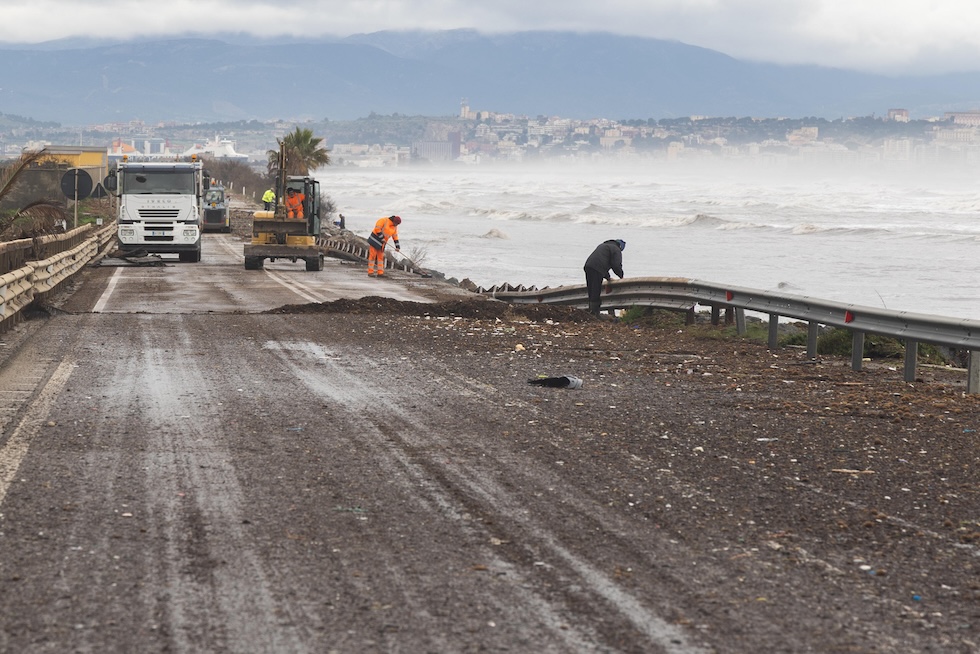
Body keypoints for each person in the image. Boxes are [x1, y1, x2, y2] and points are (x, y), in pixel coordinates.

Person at [583, 239, 625, 316]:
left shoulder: (603, 246)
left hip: (588, 266)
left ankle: (591, 312)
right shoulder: (616, 249)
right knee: (596, 290)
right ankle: (594, 313)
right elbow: (616, 265)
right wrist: (621, 276)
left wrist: (608, 277)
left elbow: (601, 262)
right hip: (597, 268)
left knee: (591, 290)